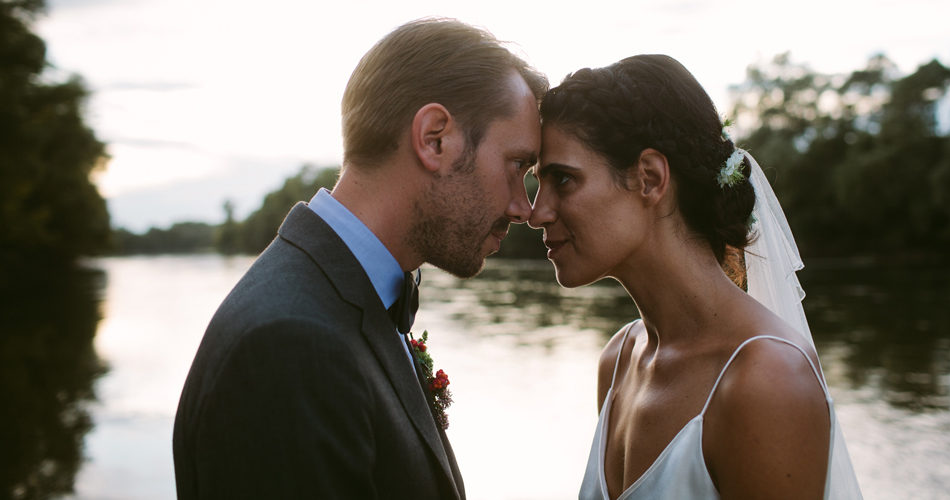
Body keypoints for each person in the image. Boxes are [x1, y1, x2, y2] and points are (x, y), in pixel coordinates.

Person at [173, 18, 547, 499]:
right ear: (434, 138)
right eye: (517, 165)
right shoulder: (290, 348)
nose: (524, 206)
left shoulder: (347, 299)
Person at [528, 55, 863, 499]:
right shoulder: (619, 361)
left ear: (649, 178)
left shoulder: (766, 382)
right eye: (538, 183)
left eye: (564, 180)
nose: (536, 214)